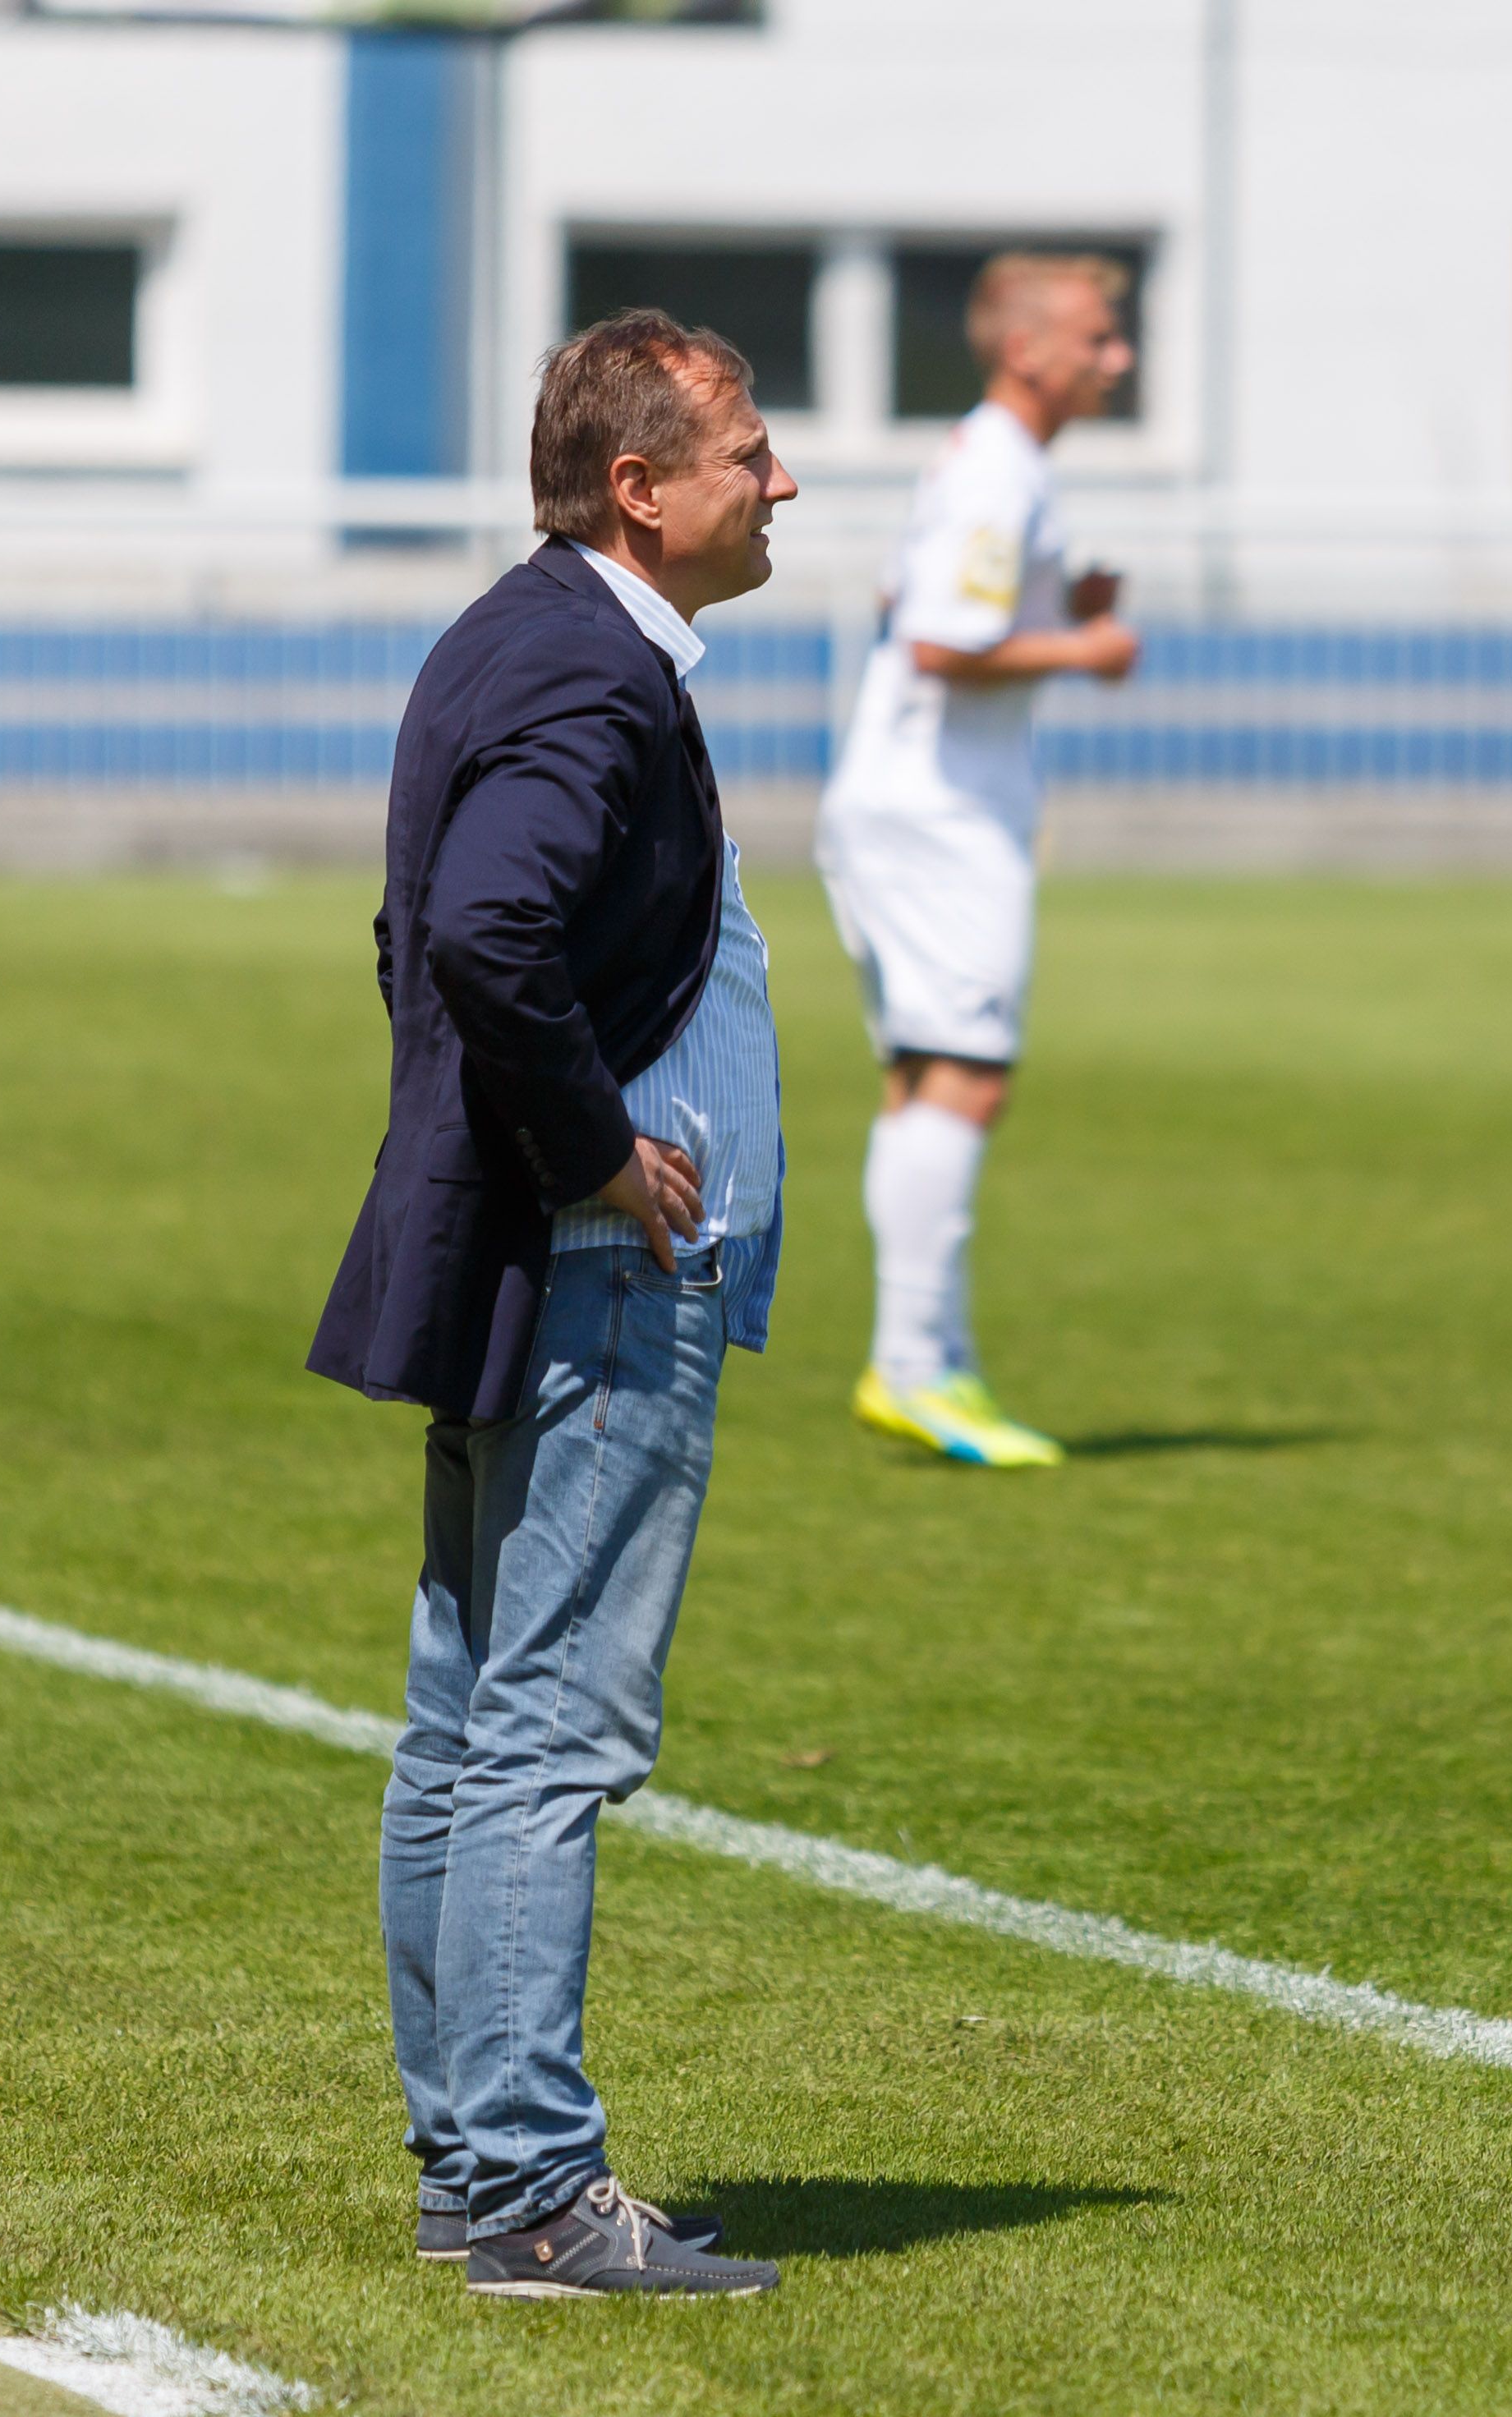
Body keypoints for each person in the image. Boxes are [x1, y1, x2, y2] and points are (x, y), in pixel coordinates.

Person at [307, 309, 795, 2301]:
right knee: (542, 1733)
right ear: (639, 486)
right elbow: (484, 928)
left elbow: (418, 932)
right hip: (597, 1272)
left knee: (465, 1723)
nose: (780, 480)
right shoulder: (589, 670)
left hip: (530, 1255)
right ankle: (524, 2185)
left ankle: (472, 2164)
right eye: (749, 450)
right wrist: (592, 1150)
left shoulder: (526, 635)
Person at [815, 252, 1141, 1468]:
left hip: (913, 804)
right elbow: (943, 644)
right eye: (1097, 338)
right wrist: (1088, 647)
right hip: (938, 817)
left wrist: (1060, 611)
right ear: (1025, 349)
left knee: (925, 1081)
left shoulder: (990, 460)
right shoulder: (997, 468)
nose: (1117, 358)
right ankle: (912, 1365)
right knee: (964, 1078)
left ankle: (926, 1361)